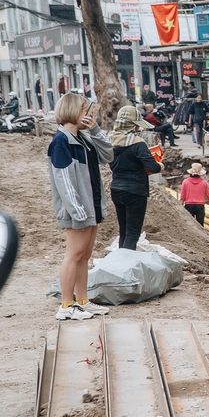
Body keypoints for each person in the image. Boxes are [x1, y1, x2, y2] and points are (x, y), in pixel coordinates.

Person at [47, 92, 114, 320]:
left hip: (90, 206)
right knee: (73, 255)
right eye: (85, 110)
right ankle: (66, 305)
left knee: (84, 256)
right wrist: (78, 211)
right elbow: (63, 181)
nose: (89, 114)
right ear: (74, 111)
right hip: (79, 210)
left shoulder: (83, 139)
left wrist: (95, 130)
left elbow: (108, 155)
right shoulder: (61, 142)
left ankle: (83, 301)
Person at [108, 106, 162, 250]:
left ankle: (121, 263)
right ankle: (127, 265)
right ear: (134, 125)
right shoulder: (137, 143)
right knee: (133, 233)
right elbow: (153, 167)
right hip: (135, 191)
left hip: (116, 189)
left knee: (124, 231)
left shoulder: (110, 141)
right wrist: (160, 165)